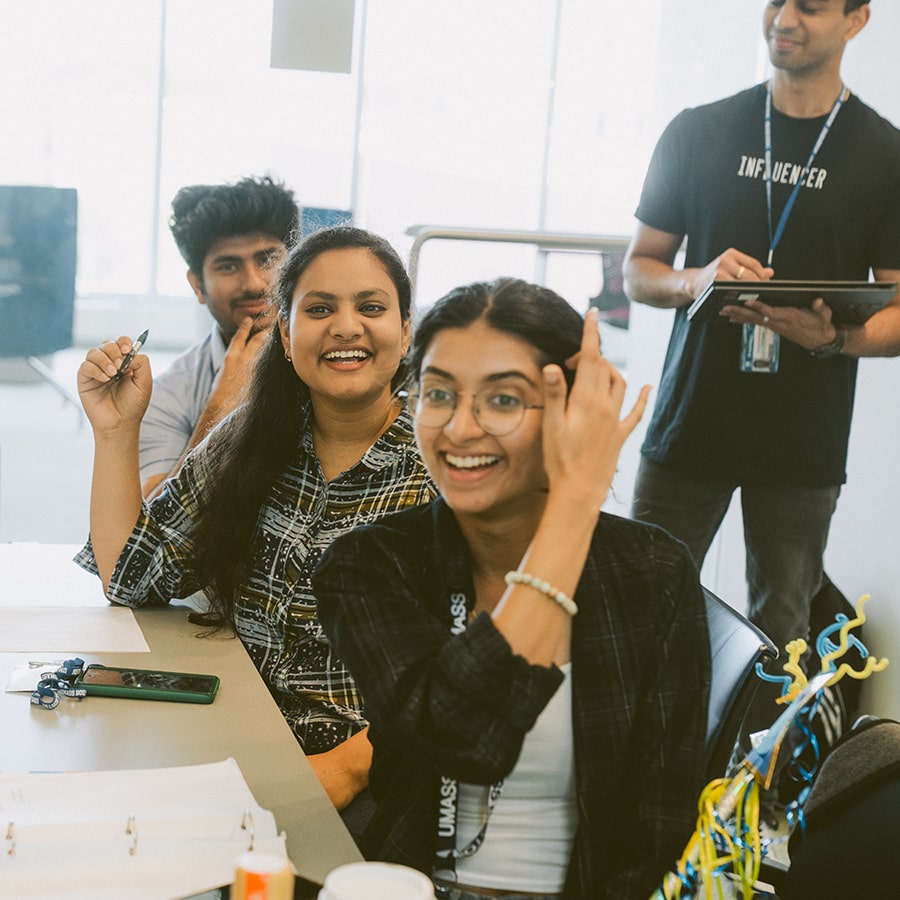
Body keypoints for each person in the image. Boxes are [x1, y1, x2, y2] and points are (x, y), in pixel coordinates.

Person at [313, 279, 711, 900]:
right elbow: (464, 736)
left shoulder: (653, 573)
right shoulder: (372, 563)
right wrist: (576, 502)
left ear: (572, 412)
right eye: (438, 393)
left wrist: (576, 501)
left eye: (503, 400)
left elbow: (659, 827)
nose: (460, 428)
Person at [74, 226, 436, 827]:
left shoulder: (443, 464)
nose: (346, 326)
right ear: (287, 337)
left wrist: (346, 768)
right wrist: (115, 432)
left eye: (371, 307)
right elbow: (131, 578)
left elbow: (475, 665)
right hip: (237, 741)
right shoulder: (250, 439)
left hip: (376, 775)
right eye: (319, 309)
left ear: (405, 332)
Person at [622, 1, 900, 680]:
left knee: (782, 636)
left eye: (809, 5)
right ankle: (631, 779)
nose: (784, 17)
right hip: (691, 424)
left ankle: (759, 787)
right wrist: (697, 281)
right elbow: (640, 270)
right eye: (775, 1)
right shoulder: (698, 130)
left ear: (856, 20)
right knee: (636, 609)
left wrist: (833, 339)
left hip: (802, 440)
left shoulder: (886, 155)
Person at [140, 174, 300, 499]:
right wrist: (221, 405)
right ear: (198, 285)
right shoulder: (169, 395)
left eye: (268, 260)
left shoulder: (343, 358)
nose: (254, 283)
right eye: (228, 266)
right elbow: (153, 528)